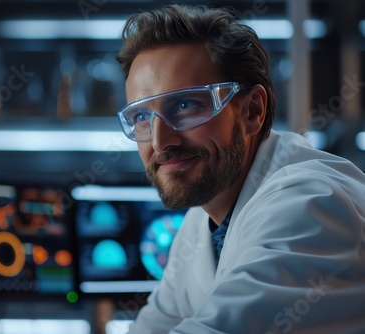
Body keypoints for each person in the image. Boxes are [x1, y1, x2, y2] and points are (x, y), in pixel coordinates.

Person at [115, 4, 365, 333]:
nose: (160, 141)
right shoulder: (201, 222)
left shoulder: (311, 203)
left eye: (186, 105)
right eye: (142, 117)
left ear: (252, 111)